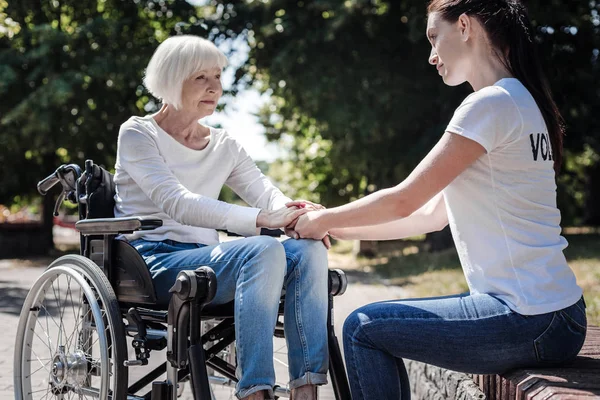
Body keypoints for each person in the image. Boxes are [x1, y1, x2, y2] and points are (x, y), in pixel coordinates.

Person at [291, 0, 587, 398]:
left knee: (363, 327)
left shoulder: (489, 104)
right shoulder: (521, 101)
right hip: (557, 314)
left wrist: (322, 220)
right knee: (372, 325)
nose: (431, 56)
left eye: (434, 38)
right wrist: (332, 225)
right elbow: (429, 215)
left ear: (464, 26)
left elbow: (404, 199)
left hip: (527, 317)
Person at [113, 35, 330, 400]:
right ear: (171, 79)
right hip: (151, 261)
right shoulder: (138, 133)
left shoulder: (223, 144)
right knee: (261, 249)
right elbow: (178, 202)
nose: (216, 87)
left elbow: (265, 191)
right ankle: (255, 392)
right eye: (201, 78)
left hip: (207, 261)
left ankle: (305, 389)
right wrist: (265, 218)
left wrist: (299, 214)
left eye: (217, 76)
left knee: (308, 250)